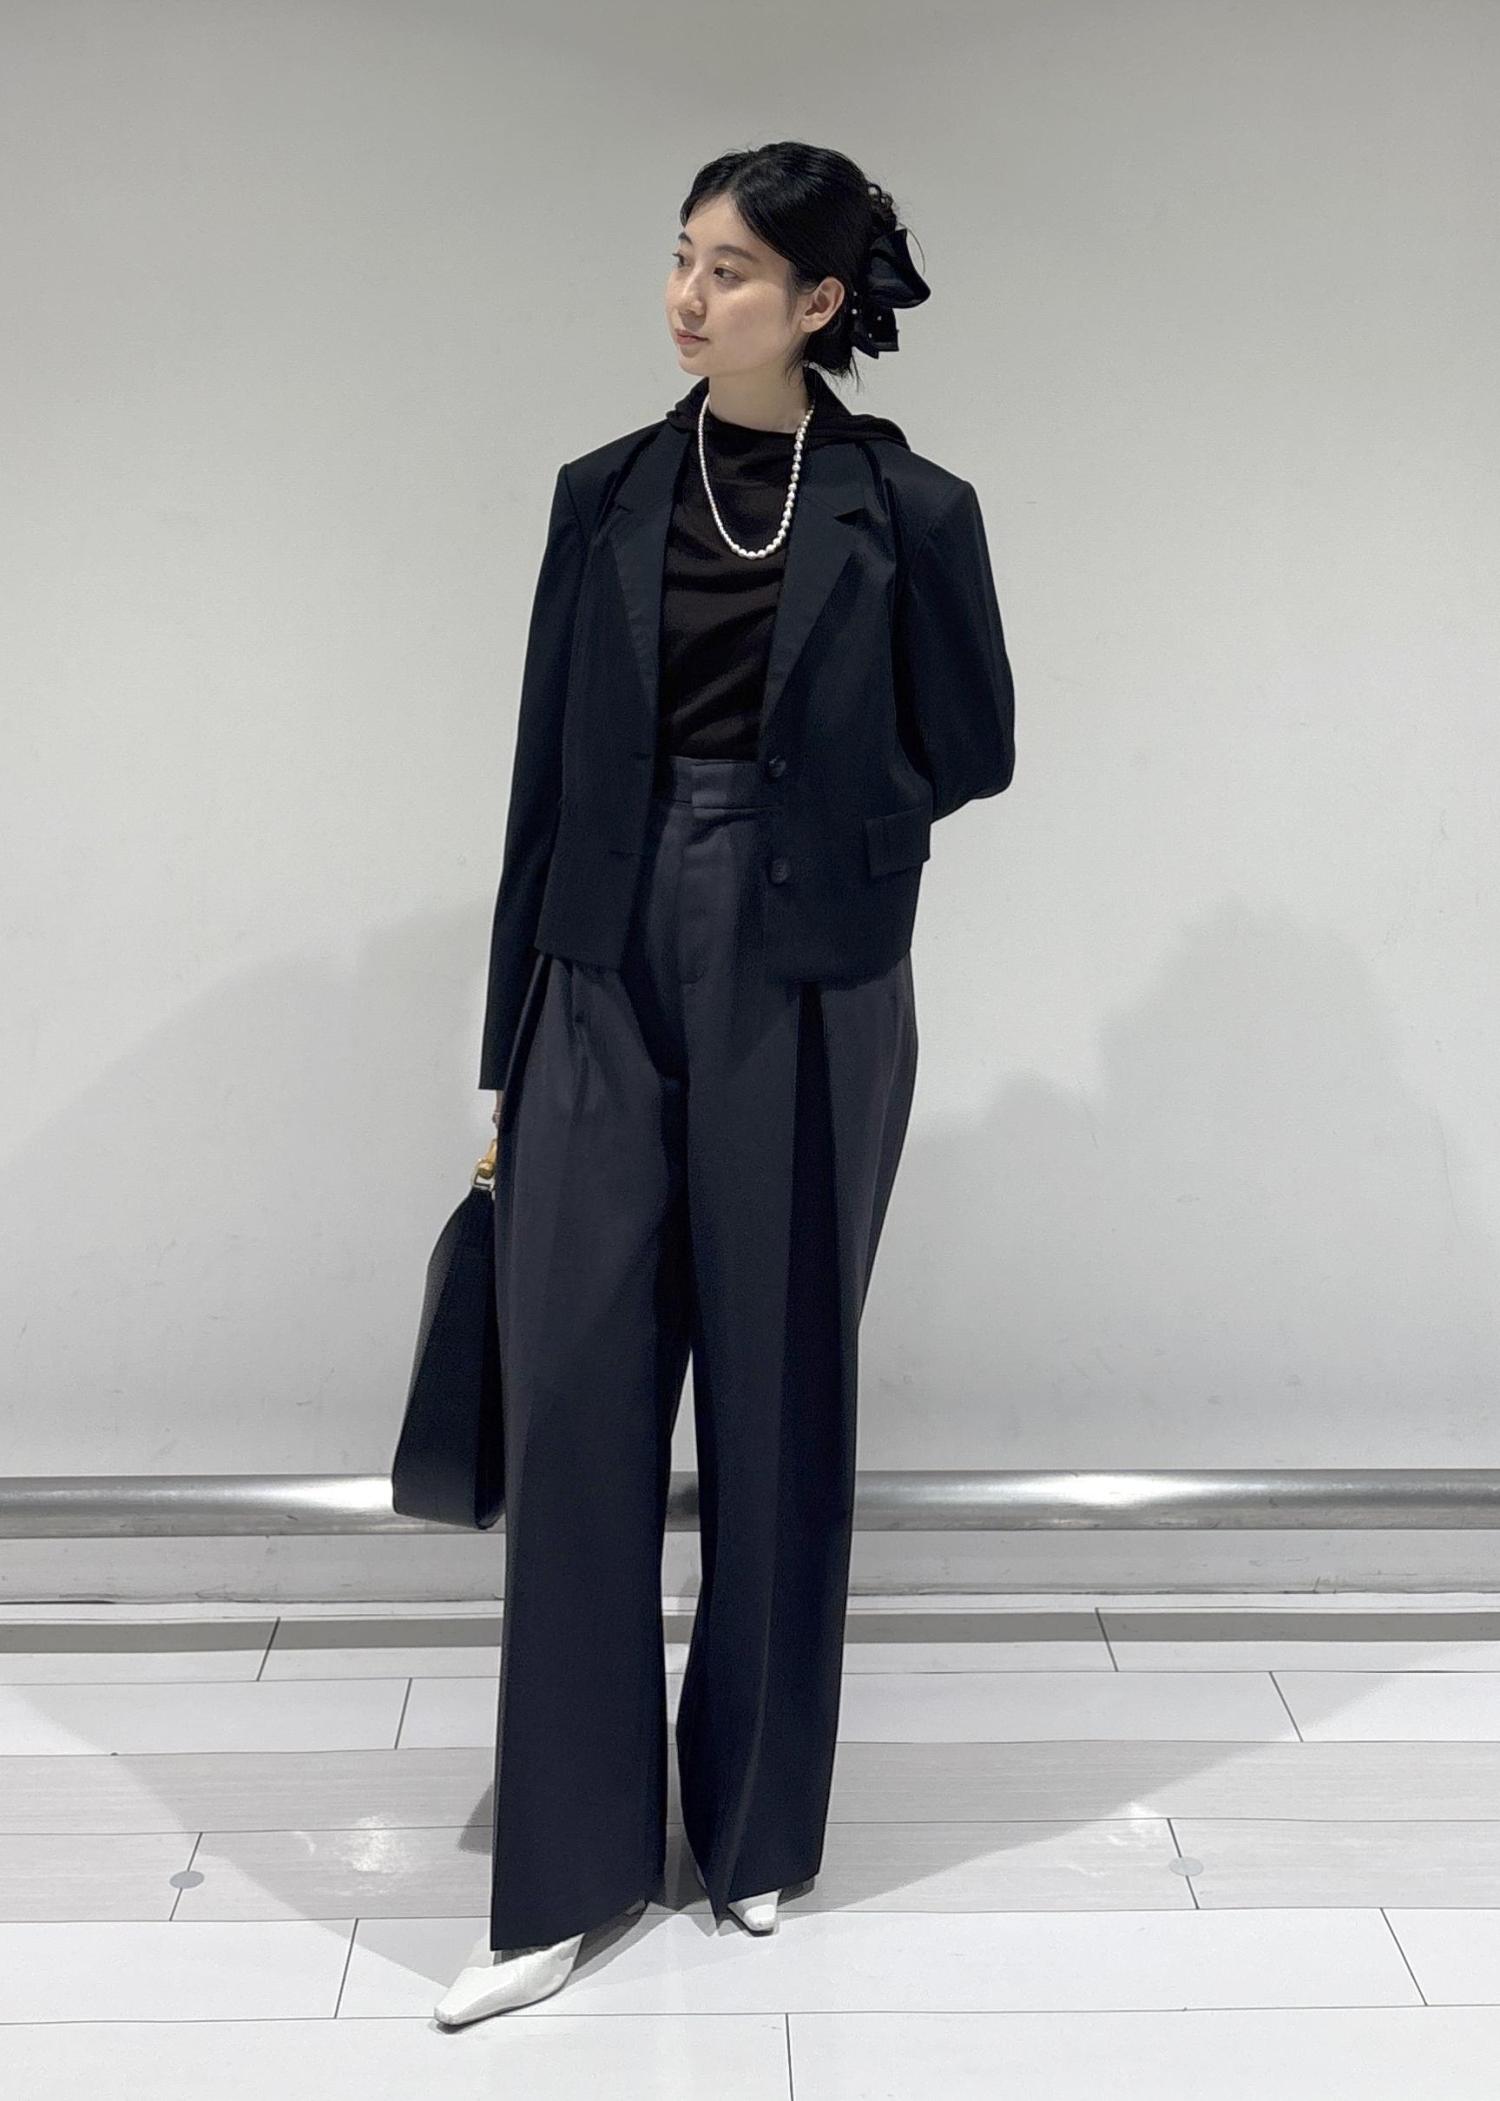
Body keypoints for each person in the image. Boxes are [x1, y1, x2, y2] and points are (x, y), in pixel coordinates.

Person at [436, 139, 1015, 2029]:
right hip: (600, 961)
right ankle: (568, 1868)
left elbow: (978, 743)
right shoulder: (602, 494)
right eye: (683, 258)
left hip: (811, 972)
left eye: (736, 270)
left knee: (779, 1394)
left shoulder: (909, 507)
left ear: (821, 302)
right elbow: (538, 777)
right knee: (576, 1390)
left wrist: (815, 816)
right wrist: (505, 1043)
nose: (692, 297)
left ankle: (756, 1826)